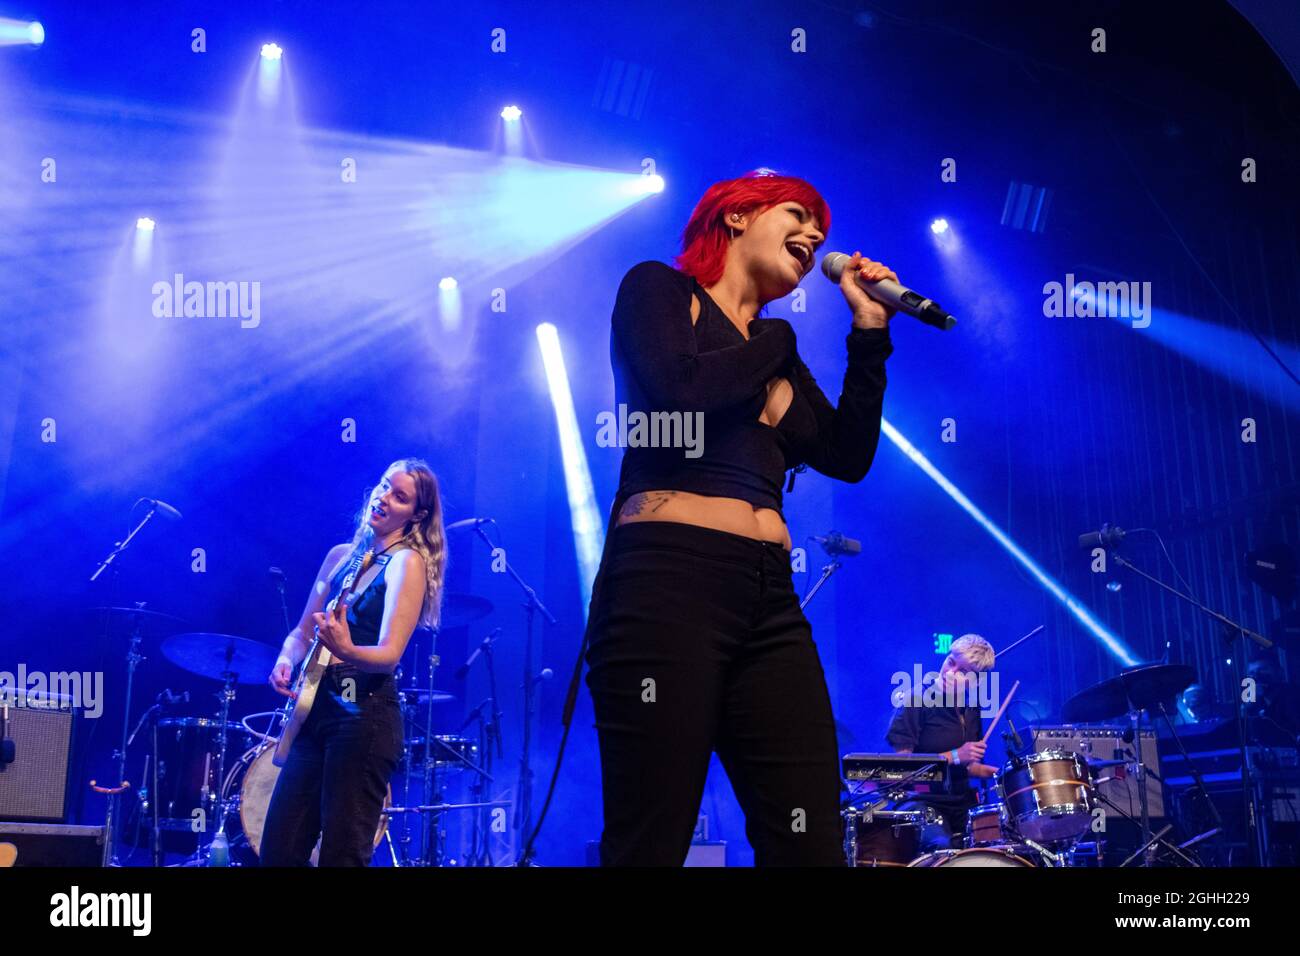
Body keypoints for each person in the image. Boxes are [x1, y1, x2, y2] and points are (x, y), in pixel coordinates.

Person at [584, 169, 898, 865]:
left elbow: (847, 455)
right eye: (798, 214)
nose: (817, 237)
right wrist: (777, 345)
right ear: (735, 218)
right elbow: (675, 396)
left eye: (821, 230)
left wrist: (869, 332)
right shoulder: (661, 291)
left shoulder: (771, 348)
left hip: (769, 600)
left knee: (809, 837)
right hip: (666, 583)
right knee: (651, 839)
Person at [260, 458, 446, 866]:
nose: (384, 498)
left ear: (416, 515)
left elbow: (389, 654)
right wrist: (286, 658)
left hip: (364, 716)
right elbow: (302, 631)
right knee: (279, 849)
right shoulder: (340, 557)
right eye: (384, 487)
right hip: (315, 713)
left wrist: (346, 649)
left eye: (400, 497)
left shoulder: (405, 562)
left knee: (342, 855)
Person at [886, 634, 999, 852]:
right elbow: (901, 769)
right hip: (921, 801)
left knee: (996, 843)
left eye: (963, 672)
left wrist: (1005, 775)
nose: (950, 672)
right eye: (951, 661)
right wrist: (955, 755)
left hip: (960, 802)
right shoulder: (915, 699)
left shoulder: (971, 709)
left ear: (977, 681)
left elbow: (970, 767)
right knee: (940, 846)